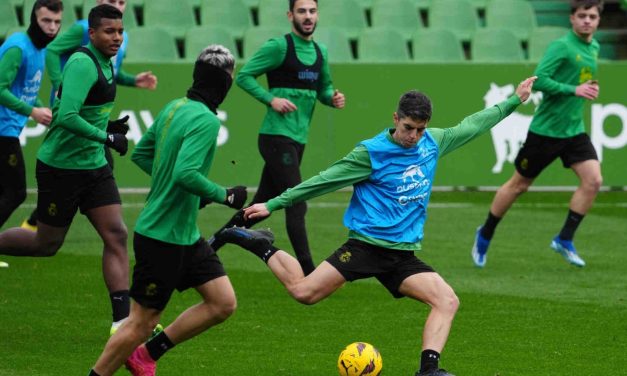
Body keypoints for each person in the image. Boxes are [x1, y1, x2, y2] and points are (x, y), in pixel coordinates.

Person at [218, 77, 537, 376]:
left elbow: (474, 124)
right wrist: (272, 204)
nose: (414, 136)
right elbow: (322, 181)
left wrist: (513, 101)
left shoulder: (433, 143)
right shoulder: (370, 153)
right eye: (409, 127)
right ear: (396, 118)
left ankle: (428, 370)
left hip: (401, 255)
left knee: (447, 300)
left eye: (420, 129)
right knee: (304, 293)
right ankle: (259, 244)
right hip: (365, 247)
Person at [88, 44, 246, 376]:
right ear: (223, 82)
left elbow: (144, 156)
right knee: (140, 323)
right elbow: (185, 174)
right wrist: (225, 195)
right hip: (163, 238)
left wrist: (190, 192)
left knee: (222, 301)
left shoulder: (175, 106)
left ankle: (147, 355)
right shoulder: (206, 121)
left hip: (184, 235)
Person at [0, 4, 131, 334]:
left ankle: (122, 320)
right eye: (109, 31)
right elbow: (68, 116)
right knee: (46, 244)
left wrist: (108, 124)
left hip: (94, 166)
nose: (117, 37)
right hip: (62, 168)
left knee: (116, 234)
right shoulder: (82, 63)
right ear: (92, 34)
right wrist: (107, 136)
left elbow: (88, 110)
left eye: (120, 31)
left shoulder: (107, 61)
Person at [208, 0, 345, 275]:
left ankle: (208, 248)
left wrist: (332, 97)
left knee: (262, 205)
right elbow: (245, 76)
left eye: (312, 11)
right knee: (297, 200)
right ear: (290, 15)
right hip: (275, 137)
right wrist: (271, 100)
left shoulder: (321, 51)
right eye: (302, 11)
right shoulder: (279, 47)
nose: (308, 16)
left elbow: (323, 87)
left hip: (297, 139)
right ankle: (309, 272)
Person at [471, 0, 603, 269]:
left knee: (593, 180)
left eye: (592, 16)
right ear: (572, 18)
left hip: (573, 130)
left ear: (598, 19)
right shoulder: (562, 46)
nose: (587, 20)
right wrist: (574, 90)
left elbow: (579, 81)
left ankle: (564, 239)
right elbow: (539, 79)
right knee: (519, 185)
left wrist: (587, 88)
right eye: (582, 15)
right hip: (545, 132)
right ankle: (485, 233)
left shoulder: (595, 46)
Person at [21, 0, 157, 231]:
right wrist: (58, 84)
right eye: (111, 1)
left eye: (121, 2)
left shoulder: (121, 38)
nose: (117, 5)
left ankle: (44, 218)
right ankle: (40, 220)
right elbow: (53, 50)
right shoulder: (82, 29)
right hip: (71, 109)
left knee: (101, 170)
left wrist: (134, 81)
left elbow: (109, 72)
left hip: (88, 118)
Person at [0, 0, 62, 229]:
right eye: (46, 20)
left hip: (8, 129)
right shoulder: (18, 47)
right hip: (2, 131)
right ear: (34, 19)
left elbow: (26, 88)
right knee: (16, 192)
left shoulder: (41, 49)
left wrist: (41, 107)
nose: (52, 27)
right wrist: (33, 112)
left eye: (57, 22)